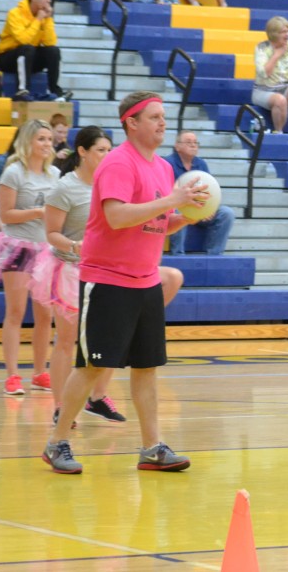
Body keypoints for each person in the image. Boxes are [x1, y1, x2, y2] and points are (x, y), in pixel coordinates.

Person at [42, 91, 205, 474]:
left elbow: (155, 222)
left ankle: (152, 447)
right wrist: (171, 201)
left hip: (145, 280)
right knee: (92, 367)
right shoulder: (118, 162)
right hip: (108, 280)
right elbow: (117, 216)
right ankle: (57, 442)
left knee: (146, 367)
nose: (163, 122)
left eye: (163, 116)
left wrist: (185, 217)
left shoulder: (162, 168)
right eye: (154, 117)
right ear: (132, 123)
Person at [35, 125, 185, 426]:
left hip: (123, 271)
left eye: (108, 149)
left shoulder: (126, 176)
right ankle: (61, 408)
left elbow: (152, 221)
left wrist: (187, 217)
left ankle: (99, 397)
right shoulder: (66, 187)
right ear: (82, 152)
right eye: (100, 150)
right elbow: (51, 233)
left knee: (168, 281)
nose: (106, 154)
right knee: (69, 342)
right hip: (74, 267)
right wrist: (74, 245)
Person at [0, 119, 58, 396]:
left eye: (49, 139)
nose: (47, 144)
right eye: (41, 138)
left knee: (45, 315)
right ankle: (12, 375)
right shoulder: (13, 172)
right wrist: (38, 212)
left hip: (46, 250)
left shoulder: (55, 174)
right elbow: (6, 215)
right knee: (16, 312)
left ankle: (40, 373)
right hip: (18, 246)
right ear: (28, 141)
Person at [0, 0, 72, 102]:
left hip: (29, 57)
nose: (49, 0)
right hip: (8, 58)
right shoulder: (15, 13)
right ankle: (22, 90)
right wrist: (38, 19)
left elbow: (50, 42)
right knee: (27, 48)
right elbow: (23, 40)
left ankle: (56, 91)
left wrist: (48, 19)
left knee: (54, 51)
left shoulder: (43, 15)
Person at [164, 131, 235, 254]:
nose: (193, 145)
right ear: (177, 146)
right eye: (188, 142)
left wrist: (208, 209)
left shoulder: (201, 164)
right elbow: (165, 194)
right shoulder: (167, 164)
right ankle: (178, 256)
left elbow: (209, 191)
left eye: (195, 142)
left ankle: (214, 256)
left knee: (226, 213)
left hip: (199, 208)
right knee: (177, 212)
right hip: (179, 208)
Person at [252, 16, 288, 134]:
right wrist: (277, 54)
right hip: (264, 90)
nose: (287, 35)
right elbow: (264, 73)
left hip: (285, 87)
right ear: (274, 34)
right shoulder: (262, 48)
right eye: (283, 32)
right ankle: (279, 132)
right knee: (280, 100)